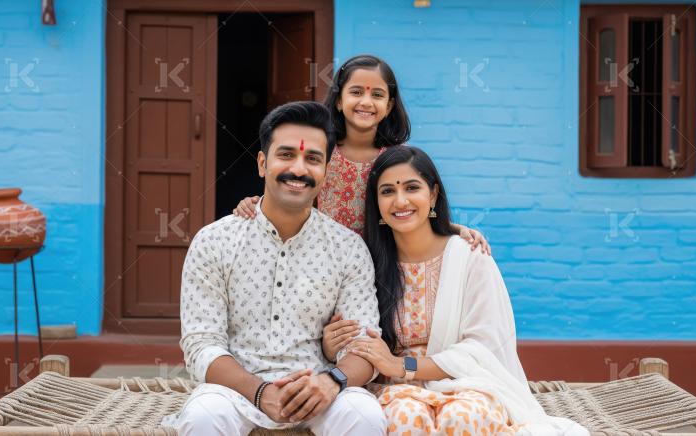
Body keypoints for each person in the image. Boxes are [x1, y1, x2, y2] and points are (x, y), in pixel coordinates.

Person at [323, 146, 589, 436]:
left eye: (412, 188)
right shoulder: (366, 262)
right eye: (387, 191)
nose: (400, 200)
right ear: (377, 203)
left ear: (433, 194)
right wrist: (331, 346)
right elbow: (354, 338)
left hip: (467, 383)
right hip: (393, 388)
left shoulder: (470, 257)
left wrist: (401, 364)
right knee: (405, 419)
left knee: (463, 418)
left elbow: (483, 348)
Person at [167, 101, 386, 436]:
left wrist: (332, 381)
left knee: (364, 414)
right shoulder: (215, 241)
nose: (298, 169)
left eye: (312, 159)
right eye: (286, 155)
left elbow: (363, 345)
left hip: (319, 389)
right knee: (203, 416)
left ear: (325, 172)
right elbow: (201, 345)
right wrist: (260, 391)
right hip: (235, 393)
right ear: (262, 163)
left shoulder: (347, 249)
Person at [232, 54, 491, 253]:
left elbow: (415, 210)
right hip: (321, 260)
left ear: (388, 106)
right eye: (356, 92)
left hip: (383, 264)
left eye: (377, 95)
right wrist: (254, 202)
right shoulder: (319, 155)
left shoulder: (396, 160)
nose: (366, 102)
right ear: (338, 100)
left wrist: (456, 229)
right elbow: (294, 195)